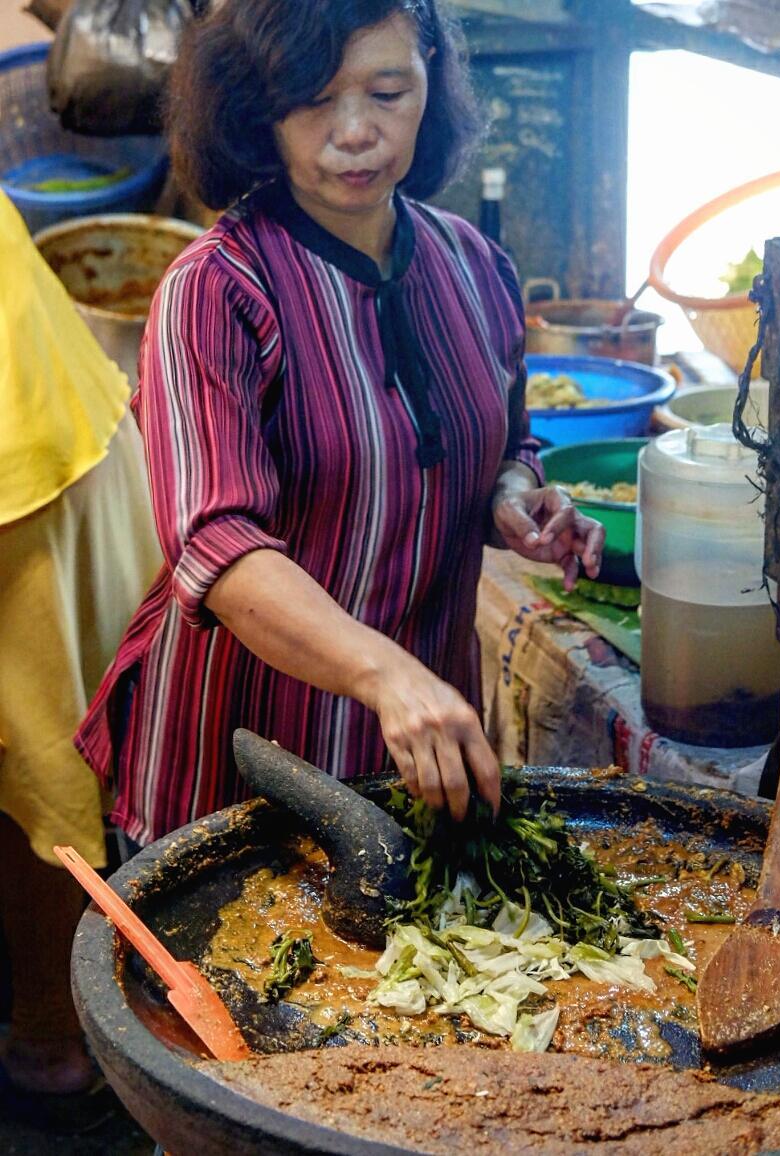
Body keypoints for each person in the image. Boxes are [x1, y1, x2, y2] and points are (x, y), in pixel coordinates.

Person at [76, 0, 604, 848]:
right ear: (257, 109)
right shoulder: (215, 292)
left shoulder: (475, 265)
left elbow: (505, 440)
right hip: (238, 764)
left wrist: (514, 495)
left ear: (431, 80)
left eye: (387, 92)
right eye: (313, 101)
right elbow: (218, 546)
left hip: (410, 757)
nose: (355, 133)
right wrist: (388, 673)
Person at [0, 190, 162, 1111]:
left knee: (36, 768)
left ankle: (54, 1043)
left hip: (23, 475)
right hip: (58, 413)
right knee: (51, 754)